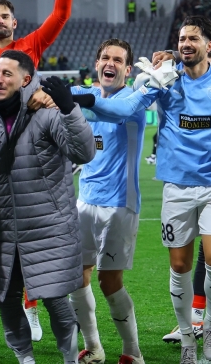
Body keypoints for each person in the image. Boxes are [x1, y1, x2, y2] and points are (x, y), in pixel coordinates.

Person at [79, 15, 211, 364]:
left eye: (193, 38)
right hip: (176, 188)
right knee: (180, 266)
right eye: (182, 39)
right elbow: (127, 107)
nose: (186, 43)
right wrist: (79, 97)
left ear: (208, 45)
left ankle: (210, 324)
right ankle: (187, 336)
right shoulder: (165, 77)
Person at [0, 50, 95, 364]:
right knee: (8, 299)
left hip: (48, 225)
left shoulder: (48, 111)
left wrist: (69, 109)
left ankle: (70, 358)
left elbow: (84, 152)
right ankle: (25, 359)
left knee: (55, 299)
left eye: (7, 74)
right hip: (3, 226)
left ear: (25, 79)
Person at [66, 39, 147, 364]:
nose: (109, 63)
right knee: (76, 276)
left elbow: (111, 111)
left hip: (119, 204)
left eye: (117, 60)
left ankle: (133, 352)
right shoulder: (85, 92)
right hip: (85, 199)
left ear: (127, 69)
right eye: (105, 58)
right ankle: (94, 348)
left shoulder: (133, 100)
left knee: (109, 281)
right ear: (97, 64)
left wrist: (74, 99)